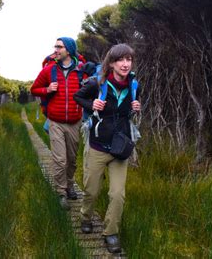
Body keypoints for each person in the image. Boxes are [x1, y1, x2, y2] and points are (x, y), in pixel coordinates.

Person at [73, 43, 141, 254]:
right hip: (97, 146)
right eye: (121, 60)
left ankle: (110, 233)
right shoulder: (97, 83)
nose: (125, 64)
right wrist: (92, 104)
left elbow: (132, 107)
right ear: (111, 63)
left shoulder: (134, 84)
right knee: (91, 190)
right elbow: (78, 97)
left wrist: (136, 106)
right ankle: (85, 216)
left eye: (128, 59)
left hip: (120, 148)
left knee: (118, 194)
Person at [30, 37, 84, 210]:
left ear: (68, 50)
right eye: (55, 46)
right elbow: (34, 89)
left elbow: (95, 88)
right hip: (55, 122)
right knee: (60, 159)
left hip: (75, 122)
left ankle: (69, 185)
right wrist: (47, 89)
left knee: (72, 159)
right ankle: (61, 193)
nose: (55, 49)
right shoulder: (50, 70)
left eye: (59, 47)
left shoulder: (81, 70)